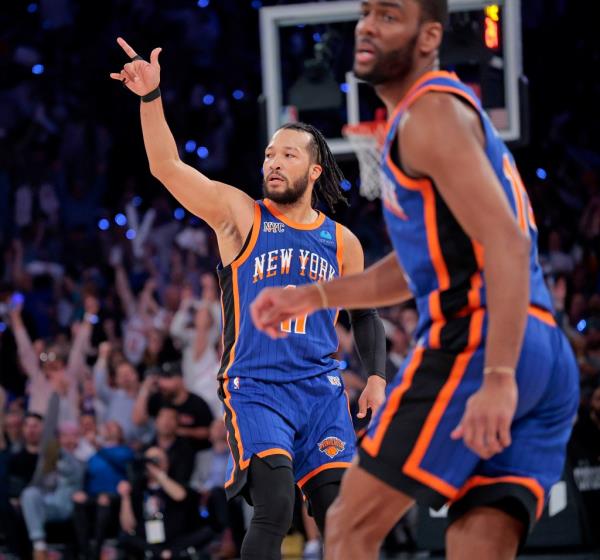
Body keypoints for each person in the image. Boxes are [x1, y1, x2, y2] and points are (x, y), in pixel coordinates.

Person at [250, 1, 580, 559]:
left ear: (430, 37)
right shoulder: (452, 111)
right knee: (476, 543)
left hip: (481, 343)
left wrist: (498, 375)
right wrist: (316, 295)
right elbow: (415, 269)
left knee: (349, 526)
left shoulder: (427, 115)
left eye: (389, 16)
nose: (367, 27)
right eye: (367, 13)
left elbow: (508, 241)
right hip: (543, 351)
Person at [111, 36, 387, 560]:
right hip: (257, 388)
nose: (273, 162)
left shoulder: (341, 240)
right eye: (268, 154)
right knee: (277, 504)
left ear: (314, 171)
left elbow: (365, 314)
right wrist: (151, 100)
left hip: (322, 391)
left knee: (342, 516)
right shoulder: (239, 214)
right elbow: (168, 168)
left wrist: (375, 376)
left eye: (287, 154)